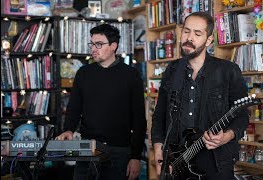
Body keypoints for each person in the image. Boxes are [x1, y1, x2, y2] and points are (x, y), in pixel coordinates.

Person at [151, 12, 249, 180]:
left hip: (216, 163)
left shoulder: (228, 71)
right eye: (186, 31)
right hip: (176, 162)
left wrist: (226, 136)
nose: (189, 38)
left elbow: (242, 117)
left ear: (209, 40)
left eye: (197, 34)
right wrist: (158, 147)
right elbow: (159, 115)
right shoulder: (172, 70)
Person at [56, 23, 147, 180]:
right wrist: (68, 129)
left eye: (99, 44)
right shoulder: (83, 73)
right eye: (92, 44)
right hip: (87, 148)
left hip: (119, 152)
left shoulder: (131, 75)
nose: (93, 48)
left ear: (113, 46)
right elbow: (74, 108)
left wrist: (136, 157)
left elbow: (139, 119)